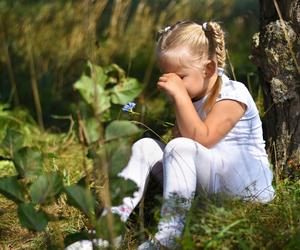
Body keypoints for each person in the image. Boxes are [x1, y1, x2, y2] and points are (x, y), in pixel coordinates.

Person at [67, 20, 275, 250]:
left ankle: (169, 238)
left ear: (208, 69)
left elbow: (202, 138)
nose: (171, 83)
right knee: (145, 145)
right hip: (208, 185)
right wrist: (181, 100)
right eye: (167, 75)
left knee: (179, 147)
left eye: (179, 77)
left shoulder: (234, 94)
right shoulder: (190, 94)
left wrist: (180, 98)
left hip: (244, 188)